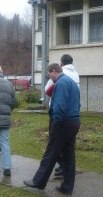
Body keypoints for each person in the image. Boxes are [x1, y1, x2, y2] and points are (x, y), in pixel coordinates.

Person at [23, 63, 80, 196]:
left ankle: (38, 181)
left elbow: (59, 106)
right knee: (68, 156)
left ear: (54, 71)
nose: (49, 77)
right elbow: (78, 103)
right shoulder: (71, 82)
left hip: (63, 123)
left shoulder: (61, 83)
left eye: (49, 74)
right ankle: (67, 187)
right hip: (74, 122)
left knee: (50, 153)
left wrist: (56, 123)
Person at [45, 54, 80, 177]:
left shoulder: (60, 76)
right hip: (73, 115)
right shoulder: (75, 74)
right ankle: (67, 171)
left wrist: (56, 122)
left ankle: (58, 167)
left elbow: (47, 90)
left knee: (54, 143)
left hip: (60, 116)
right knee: (69, 146)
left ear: (61, 64)